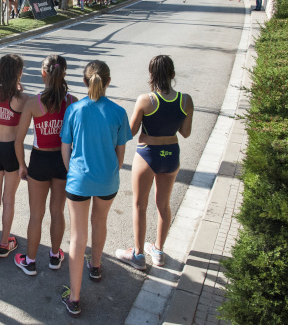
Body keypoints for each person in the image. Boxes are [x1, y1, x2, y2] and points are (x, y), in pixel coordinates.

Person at [59, 60, 132, 318]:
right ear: (108, 81)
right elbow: (120, 156)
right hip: (107, 180)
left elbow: (65, 150)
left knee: (77, 236)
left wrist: (74, 172)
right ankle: (96, 265)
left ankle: (75, 297)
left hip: (78, 179)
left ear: (84, 81)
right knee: (99, 221)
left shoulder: (74, 110)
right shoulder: (119, 112)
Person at [116, 56, 194, 270]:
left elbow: (130, 132)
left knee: (140, 206)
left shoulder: (145, 100)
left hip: (147, 155)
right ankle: (158, 251)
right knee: (163, 205)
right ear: (172, 74)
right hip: (171, 156)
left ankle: (139, 255)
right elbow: (185, 133)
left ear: (151, 75)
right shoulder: (186, 101)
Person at [14, 55, 76, 276]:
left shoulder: (33, 102)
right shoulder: (72, 101)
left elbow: (18, 140)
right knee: (57, 212)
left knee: (36, 215)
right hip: (62, 161)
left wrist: (22, 165)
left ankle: (30, 261)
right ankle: (54, 256)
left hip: (39, 161)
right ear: (64, 74)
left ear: (43, 74)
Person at [0, 54, 29, 265]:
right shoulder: (23, 99)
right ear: (19, 73)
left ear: (0, 72)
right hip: (12, 151)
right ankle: (4, 244)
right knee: (8, 199)